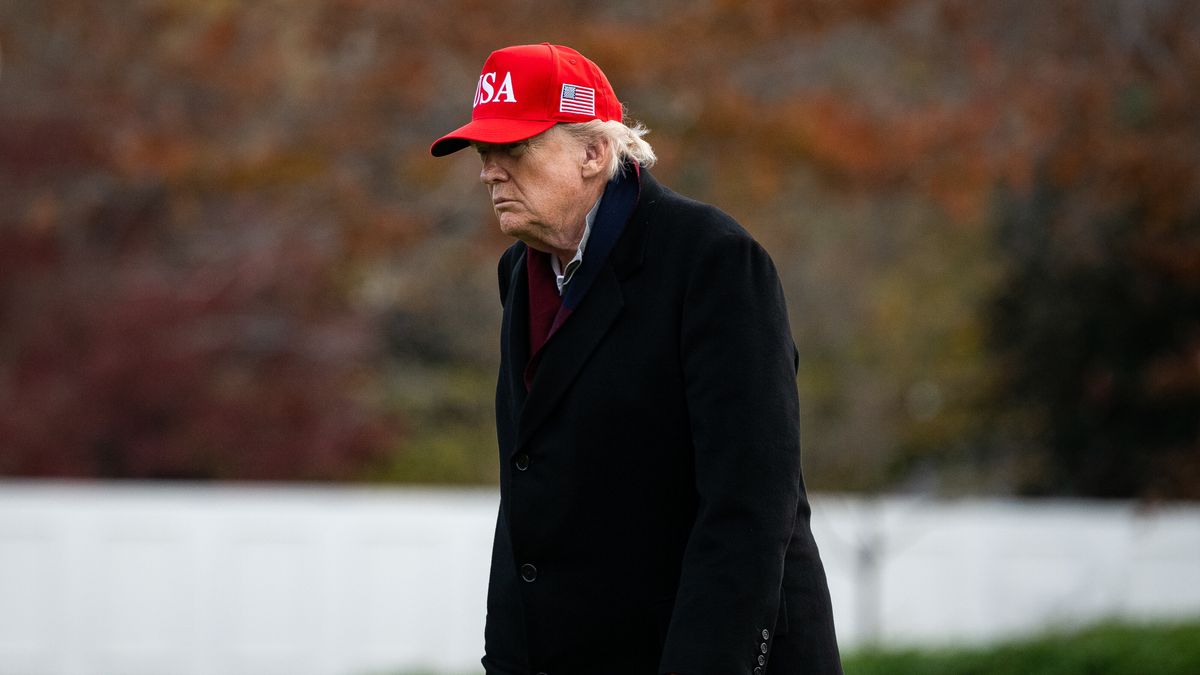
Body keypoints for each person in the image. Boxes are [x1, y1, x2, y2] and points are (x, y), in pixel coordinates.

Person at [430, 43, 842, 675]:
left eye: (514, 149)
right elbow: (528, 490)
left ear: (595, 152)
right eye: (485, 154)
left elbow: (751, 499)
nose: (490, 172)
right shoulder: (521, 272)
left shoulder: (714, 260)